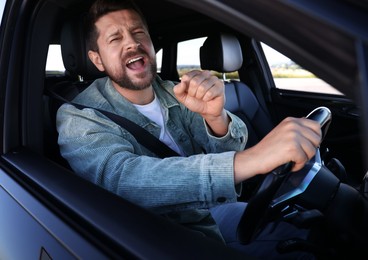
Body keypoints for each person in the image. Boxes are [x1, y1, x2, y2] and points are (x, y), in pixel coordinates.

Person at [56, 0, 321, 258]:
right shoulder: (79, 115)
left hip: (206, 212)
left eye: (139, 33)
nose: (132, 42)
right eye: (115, 39)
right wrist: (253, 159)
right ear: (97, 60)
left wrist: (216, 118)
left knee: (306, 233)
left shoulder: (175, 91)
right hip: (153, 235)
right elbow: (124, 181)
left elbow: (228, 147)